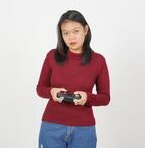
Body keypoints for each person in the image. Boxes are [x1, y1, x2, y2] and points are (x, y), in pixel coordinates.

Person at [36, 10, 110, 148]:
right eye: (66, 33)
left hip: (84, 130)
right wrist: (52, 92)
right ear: (61, 35)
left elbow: (105, 98)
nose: (71, 37)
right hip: (51, 127)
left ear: (86, 29)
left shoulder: (98, 61)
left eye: (76, 31)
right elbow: (40, 88)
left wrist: (86, 98)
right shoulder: (52, 56)